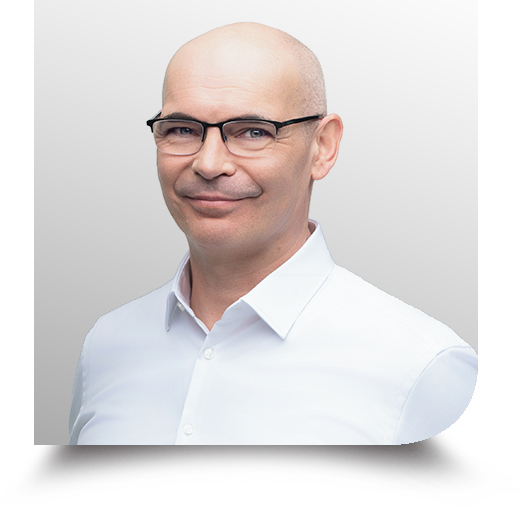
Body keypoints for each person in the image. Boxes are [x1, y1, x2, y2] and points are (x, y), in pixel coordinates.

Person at [69, 22, 477, 445]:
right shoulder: (106, 347)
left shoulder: (423, 370)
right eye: (182, 129)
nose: (209, 164)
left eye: (253, 132)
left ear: (323, 146)